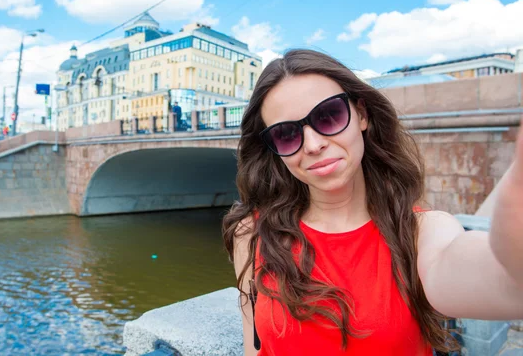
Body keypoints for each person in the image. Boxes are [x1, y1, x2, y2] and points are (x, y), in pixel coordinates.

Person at [222, 49, 523, 356]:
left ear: (362, 115)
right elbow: (255, 345)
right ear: (274, 148)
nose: (313, 145)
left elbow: (505, 281)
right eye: (286, 134)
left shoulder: (421, 232)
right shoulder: (254, 232)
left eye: (328, 116)